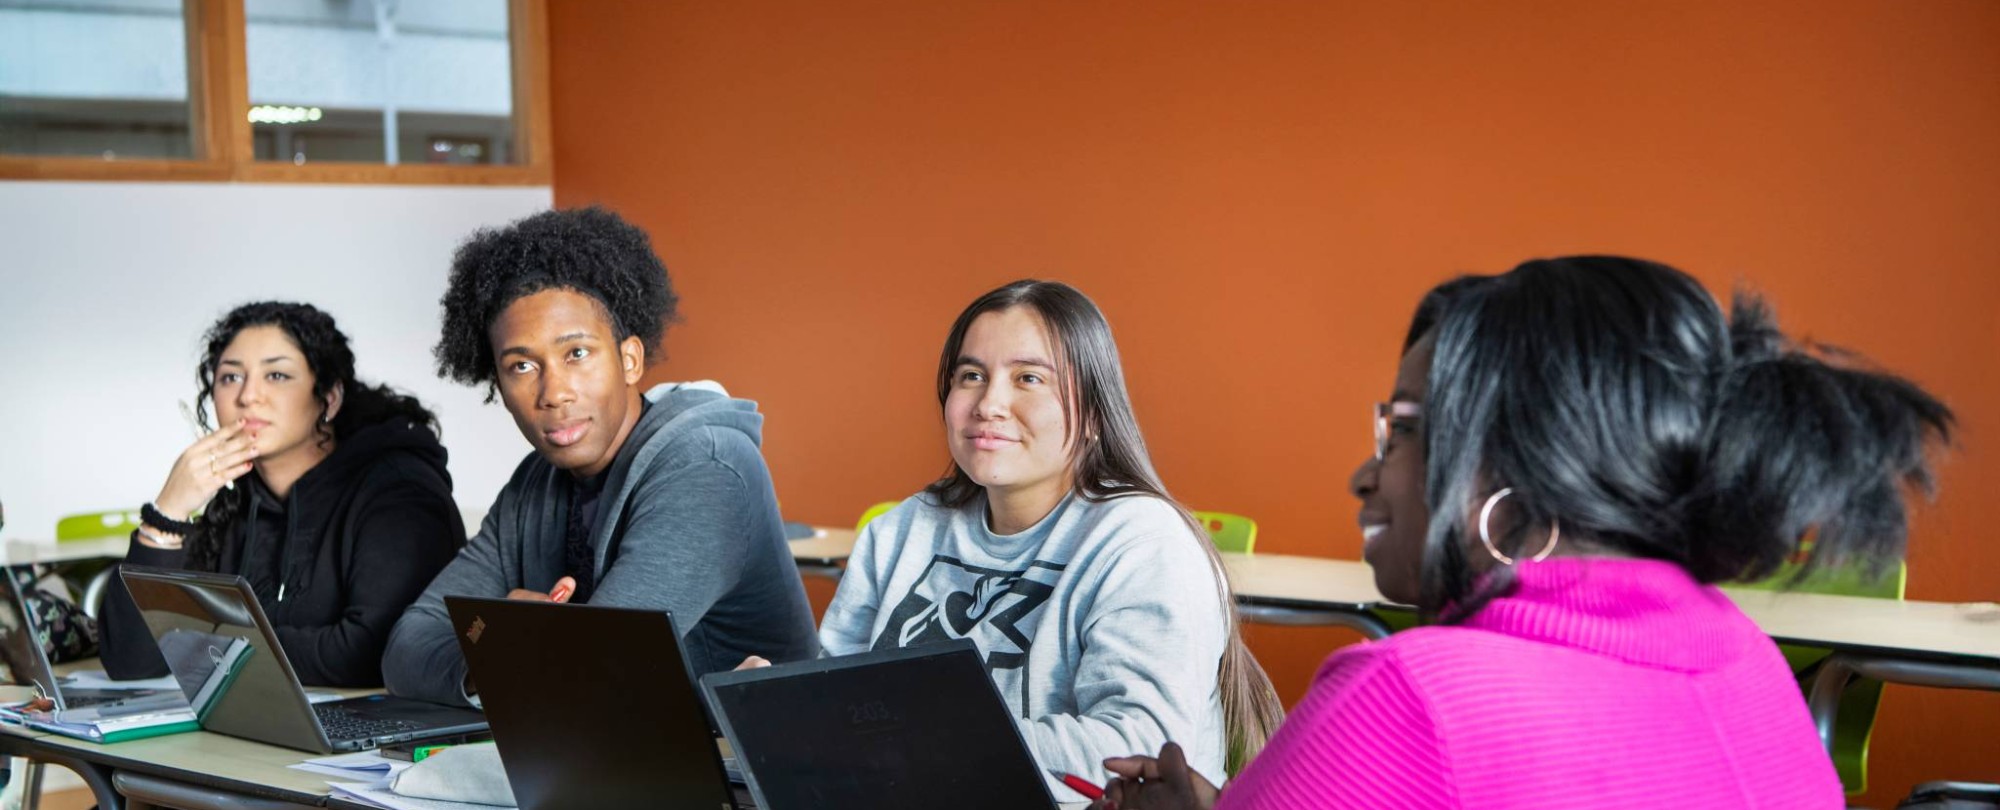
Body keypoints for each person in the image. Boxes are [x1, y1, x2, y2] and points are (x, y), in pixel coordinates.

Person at [1098, 256, 1953, 809]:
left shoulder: (1412, 692)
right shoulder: (1751, 663)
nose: (1368, 473)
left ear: (1503, 474)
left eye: (1401, 428)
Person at [815, 280, 1283, 802]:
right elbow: (833, 692)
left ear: (1093, 414)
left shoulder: (1145, 543)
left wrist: (913, 742)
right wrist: (779, 703)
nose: (989, 403)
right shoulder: (904, 528)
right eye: (971, 375)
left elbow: (1139, 754)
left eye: (1029, 378)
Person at [383, 207, 818, 705]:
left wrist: (516, 648)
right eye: (522, 365)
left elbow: (595, 669)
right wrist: (502, 658)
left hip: (744, 769)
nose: (554, 392)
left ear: (629, 360)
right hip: (609, 758)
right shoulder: (535, 483)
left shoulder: (707, 464)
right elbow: (407, 648)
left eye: (577, 354)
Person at [101, 302, 463, 687]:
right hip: (255, 728)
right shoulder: (233, 502)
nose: (248, 396)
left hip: (367, 740)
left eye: (276, 375)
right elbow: (132, 661)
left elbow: (367, 651)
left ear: (329, 397)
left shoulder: (398, 491)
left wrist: (204, 645)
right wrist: (167, 514)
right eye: (230, 377)